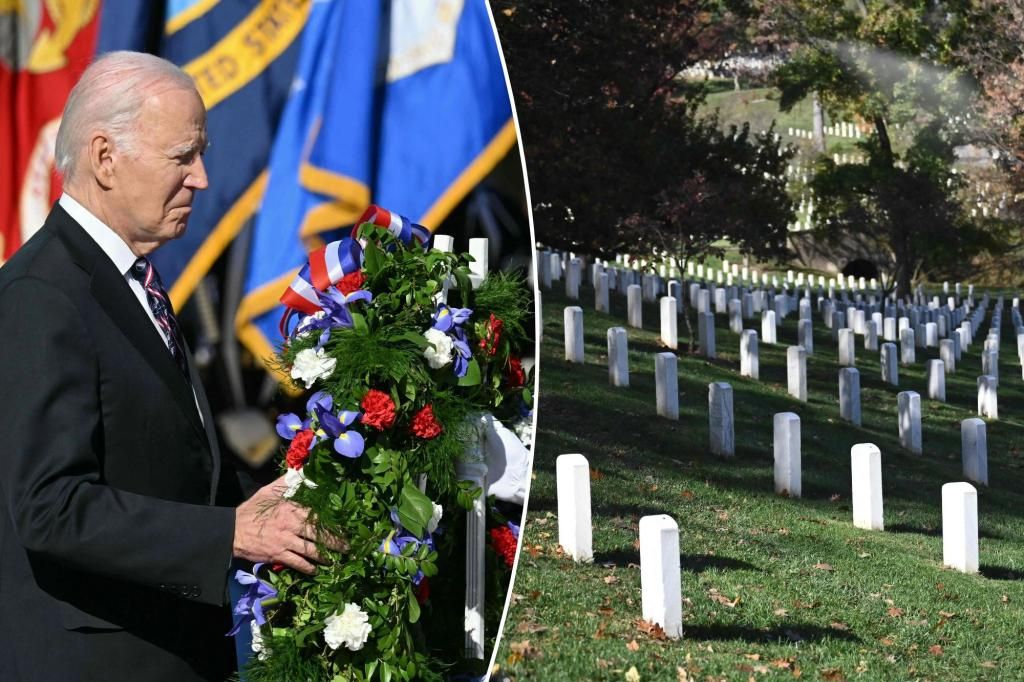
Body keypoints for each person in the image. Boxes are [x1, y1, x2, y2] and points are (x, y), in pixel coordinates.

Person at [0, 51, 331, 681]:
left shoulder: (131, 282)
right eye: (183, 157)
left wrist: (287, 501)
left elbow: (165, 467)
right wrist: (229, 535)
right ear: (104, 157)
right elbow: (50, 507)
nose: (202, 179)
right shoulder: (41, 294)